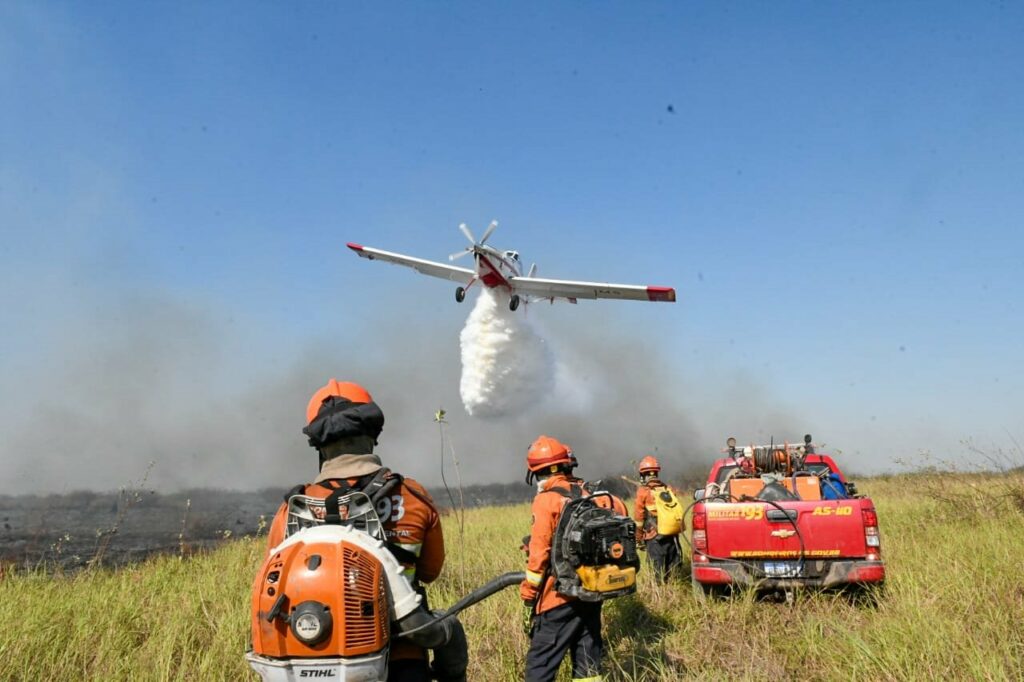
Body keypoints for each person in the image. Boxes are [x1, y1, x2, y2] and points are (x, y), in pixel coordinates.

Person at [266, 378, 456, 682]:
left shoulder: (292, 509)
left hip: (313, 660)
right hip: (403, 656)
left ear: (318, 444)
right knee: (451, 632)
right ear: (372, 434)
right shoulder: (413, 496)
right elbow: (430, 572)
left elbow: (275, 581)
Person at [520, 435, 628, 682]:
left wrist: (528, 595)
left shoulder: (546, 500)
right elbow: (620, 514)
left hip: (557, 597)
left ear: (536, 472)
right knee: (588, 663)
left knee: (540, 666)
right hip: (591, 591)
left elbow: (539, 554)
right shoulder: (590, 495)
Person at [633, 455, 683, 584]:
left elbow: (639, 518)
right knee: (672, 568)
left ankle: (659, 592)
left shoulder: (643, 492)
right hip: (672, 535)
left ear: (643, 475)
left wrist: (639, 538)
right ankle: (673, 589)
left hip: (654, 537)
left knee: (657, 572)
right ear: (656, 473)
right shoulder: (668, 489)